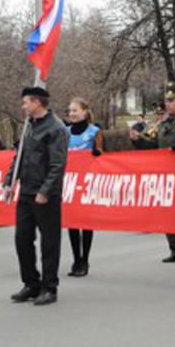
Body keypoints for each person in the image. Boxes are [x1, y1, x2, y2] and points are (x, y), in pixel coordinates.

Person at [6, 87, 69, 306]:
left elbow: (57, 164)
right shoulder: (28, 127)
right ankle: (31, 283)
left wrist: (45, 190)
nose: (23, 106)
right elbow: (19, 156)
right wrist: (9, 181)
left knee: (49, 242)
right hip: (25, 192)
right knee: (22, 239)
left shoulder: (56, 129)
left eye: (25, 102)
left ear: (36, 102)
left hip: (45, 195)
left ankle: (49, 287)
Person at [130, 82, 175, 264]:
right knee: (168, 212)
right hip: (165, 173)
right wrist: (138, 141)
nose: (167, 103)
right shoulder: (164, 123)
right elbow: (154, 146)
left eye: (171, 100)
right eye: (166, 100)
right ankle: (174, 249)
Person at [65, 98, 103, 277]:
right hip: (70, 183)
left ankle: (85, 260)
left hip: (88, 183)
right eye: (70, 111)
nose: (71, 114)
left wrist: (97, 155)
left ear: (85, 112)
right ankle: (76, 259)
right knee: (72, 223)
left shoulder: (94, 131)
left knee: (86, 223)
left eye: (75, 110)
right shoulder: (65, 132)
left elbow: (104, 156)